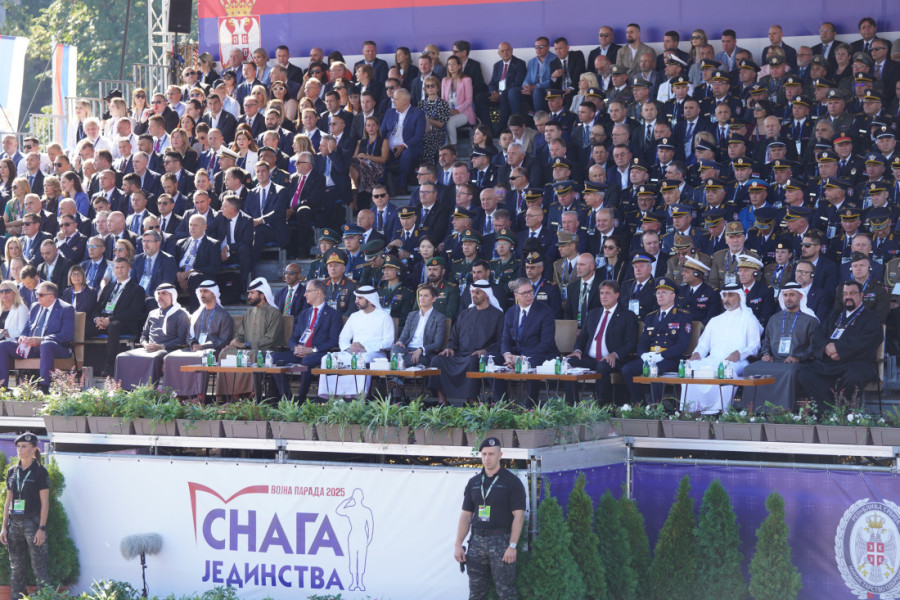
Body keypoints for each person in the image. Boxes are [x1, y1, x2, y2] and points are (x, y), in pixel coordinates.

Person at [454, 436, 526, 600]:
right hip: (477, 542)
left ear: (500, 455)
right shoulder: (473, 482)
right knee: (476, 593)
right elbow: (466, 516)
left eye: (492, 454)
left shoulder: (512, 482)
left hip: (501, 542)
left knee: (506, 592)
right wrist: (458, 545)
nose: (487, 458)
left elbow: (519, 516)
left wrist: (512, 546)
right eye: (484, 454)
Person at [797, 280, 884, 407]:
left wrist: (838, 349)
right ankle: (828, 410)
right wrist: (827, 348)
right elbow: (818, 335)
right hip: (830, 362)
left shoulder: (871, 317)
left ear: (861, 295)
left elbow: (867, 340)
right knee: (805, 373)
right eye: (845, 293)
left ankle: (845, 415)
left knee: (852, 379)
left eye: (853, 293)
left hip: (857, 362)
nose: (848, 296)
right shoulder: (835, 315)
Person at [681, 283, 762, 413]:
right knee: (690, 367)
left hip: (738, 362)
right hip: (713, 359)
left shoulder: (749, 319)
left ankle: (719, 410)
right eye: (724, 295)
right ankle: (691, 410)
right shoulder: (715, 320)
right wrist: (697, 353)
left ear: (740, 297)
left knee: (725, 369)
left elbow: (754, 346)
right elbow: (703, 344)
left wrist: (739, 353)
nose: (726, 299)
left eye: (731, 295)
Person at [743, 282, 820, 411]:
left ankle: (783, 412)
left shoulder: (810, 320)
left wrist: (798, 357)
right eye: (785, 295)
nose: (788, 298)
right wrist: (766, 354)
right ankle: (751, 411)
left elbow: (814, 346)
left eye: (792, 295)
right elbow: (766, 341)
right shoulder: (774, 319)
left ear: (800, 297)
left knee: (788, 372)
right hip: (774, 360)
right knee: (749, 370)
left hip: (797, 362)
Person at [429, 280, 504, 404]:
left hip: (478, 356)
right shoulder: (465, 314)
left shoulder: (498, 315)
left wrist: (486, 350)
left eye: (477, 292)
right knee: (438, 360)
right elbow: (454, 336)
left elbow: (501, 340)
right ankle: (442, 401)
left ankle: (472, 401)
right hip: (460, 353)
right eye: (472, 292)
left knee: (472, 361)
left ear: (486, 294)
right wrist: (450, 347)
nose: (474, 295)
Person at [566, 279, 639, 403]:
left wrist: (615, 354)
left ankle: (603, 407)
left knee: (603, 366)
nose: (603, 296)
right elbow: (583, 336)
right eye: (601, 293)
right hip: (591, 358)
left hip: (613, 359)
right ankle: (571, 406)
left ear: (617, 295)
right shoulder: (593, 313)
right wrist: (577, 350)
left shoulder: (627, 315)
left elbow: (631, 343)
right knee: (568, 363)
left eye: (607, 293)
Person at [621, 277, 693, 402]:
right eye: (658, 293)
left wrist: (661, 355)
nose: (660, 295)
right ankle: (640, 403)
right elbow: (643, 342)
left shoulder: (682, 316)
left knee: (655, 369)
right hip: (650, 356)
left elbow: (682, 344)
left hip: (670, 358)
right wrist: (644, 355)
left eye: (664, 292)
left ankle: (654, 406)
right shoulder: (650, 317)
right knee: (627, 369)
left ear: (673, 295)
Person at [161, 281, 235, 399]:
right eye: (200, 291)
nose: (202, 294)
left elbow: (224, 340)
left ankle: (198, 397)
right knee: (170, 358)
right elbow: (188, 335)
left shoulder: (223, 315)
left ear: (214, 293)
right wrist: (194, 343)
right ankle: (176, 395)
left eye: (205, 291)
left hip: (212, 351)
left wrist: (203, 346)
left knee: (200, 358)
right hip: (194, 348)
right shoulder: (196, 314)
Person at [319, 286, 395, 398]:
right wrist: (349, 348)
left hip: (375, 353)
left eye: (359, 298)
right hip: (352, 351)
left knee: (362, 359)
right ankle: (330, 395)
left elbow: (389, 342)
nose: (356, 301)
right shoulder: (354, 316)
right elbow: (343, 338)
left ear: (369, 300)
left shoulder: (384, 317)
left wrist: (365, 348)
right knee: (327, 359)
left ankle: (358, 395)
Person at [273, 278, 341, 400]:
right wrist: (295, 348)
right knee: (273, 358)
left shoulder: (333, 314)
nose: (304, 294)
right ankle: (288, 399)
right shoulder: (304, 313)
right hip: (300, 352)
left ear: (319, 292)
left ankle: (301, 399)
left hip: (319, 352)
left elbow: (333, 341)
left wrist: (312, 350)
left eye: (308, 291)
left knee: (307, 361)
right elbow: (293, 337)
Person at [1, 432, 50, 599]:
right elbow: (8, 501)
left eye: (24, 446)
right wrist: (3, 527)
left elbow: (45, 503)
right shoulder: (11, 472)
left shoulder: (40, 472)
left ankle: (44, 597)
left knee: (40, 568)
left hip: (33, 523)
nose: (20, 450)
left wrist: (41, 528)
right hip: (14, 524)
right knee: (16, 568)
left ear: (34, 449)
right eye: (18, 447)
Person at [0, 282, 74, 393]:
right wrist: (23, 337)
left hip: (57, 348)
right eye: (36, 293)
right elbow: (26, 328)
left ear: (51, 296)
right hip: (32, 346)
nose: (37, 296)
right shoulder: (35, 306)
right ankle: (2, 386)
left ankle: (44, 387)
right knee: (3, 345)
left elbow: (66, 335)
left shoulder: (66, 309)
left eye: (40, 294)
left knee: (46, 344)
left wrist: (42, 340)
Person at [113, 283, 190, 390]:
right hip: (149, 348)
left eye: (164, 293)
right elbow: (143, 335)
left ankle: (146, 391)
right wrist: (145, 344)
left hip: (168, 349)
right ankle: (122, 391)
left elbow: (181, 339)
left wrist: (160, 346)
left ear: (172, 296)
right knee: (121, 357)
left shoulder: (180, 314)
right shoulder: (152, 313)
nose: (160, 296)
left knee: (153, 358)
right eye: (158, 294)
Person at [216, 277, 285, 397]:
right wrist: (235, 342)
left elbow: (270, 339)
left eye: (252, 293)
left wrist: (246, 345)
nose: (249, 297)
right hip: (248, 350)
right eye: (249, 293)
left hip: (267, 351)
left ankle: (251, 395)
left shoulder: (275, 313)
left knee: (251, 355)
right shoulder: (249, 313)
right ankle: (227, 396)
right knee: (225, 353)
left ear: (262, 295)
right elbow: (240, 335)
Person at [495, 277, 558, 405]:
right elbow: (506, 339)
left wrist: (522, 358)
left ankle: (530, 405)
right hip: (516, 354)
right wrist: (507, 356)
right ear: (516, 295)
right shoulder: (511, 312)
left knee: (532, 362)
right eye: (525, 293)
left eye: (531, 291)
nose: (529, 295)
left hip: (540, 354)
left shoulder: (545, 312)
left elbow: (546, 343)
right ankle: (502, 404)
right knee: (490, 359)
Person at [85, 257, 146, 376]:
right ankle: (80, 365)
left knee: (113, 326)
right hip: (104, 321)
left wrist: (109, 320)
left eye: (122, 267)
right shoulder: (109, 286)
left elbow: (133, 312)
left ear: (129, 268)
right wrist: (97, 319)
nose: (119, 270)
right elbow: (97, 308)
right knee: (84, 328)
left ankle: (109, 366)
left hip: (124, 323)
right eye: (117, 267)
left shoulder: (137, 289)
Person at [391, 283, 446, 367]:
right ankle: (396, 375)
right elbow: (403, 336)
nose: (422, 298)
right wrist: (400, 342)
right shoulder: (412, 315)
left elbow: (437, 343)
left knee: (400, 360)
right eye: (420, 295)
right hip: (408, 349)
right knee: (395, 348)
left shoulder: (439, 318)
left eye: (426, 296)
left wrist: (421, 349)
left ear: (434, 299)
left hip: (424, 353)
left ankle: (395, 377)